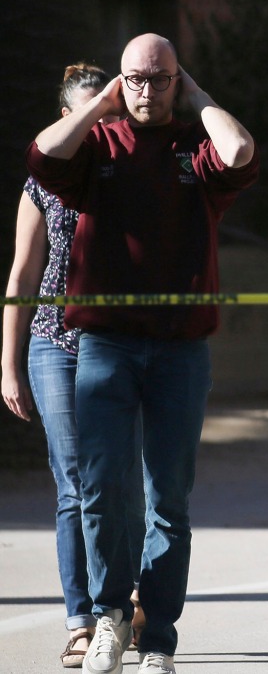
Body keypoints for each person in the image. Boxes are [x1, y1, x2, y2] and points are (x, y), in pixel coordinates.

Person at [26, 34, 259, 674]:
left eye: (160, 79)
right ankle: (108, 618)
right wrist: (102, 102)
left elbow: (240, 152)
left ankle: (157, 637)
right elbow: (43, 152)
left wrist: (200, 96)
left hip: (181, 351)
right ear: (119, 82)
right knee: (101, 488)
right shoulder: (95, 146)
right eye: (135, 78)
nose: (146, 90)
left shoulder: (194, 148)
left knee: (169, 500)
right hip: (105, 345)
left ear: (177, 82)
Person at [2, 62, 145, 669]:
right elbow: (23, 276)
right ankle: (82, 620)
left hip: (118, 344)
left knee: (119, 481)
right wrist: (8, 366)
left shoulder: (134, 176)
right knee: (74, 485)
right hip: (52, 344)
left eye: (110, 114)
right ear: (67, 118)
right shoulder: (43, 185)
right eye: (91, 113)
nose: (103, 124)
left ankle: (128, 606)